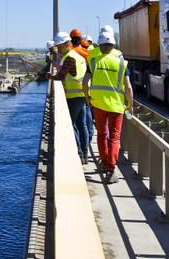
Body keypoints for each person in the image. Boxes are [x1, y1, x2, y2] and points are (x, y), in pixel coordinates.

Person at [83, 29, 133, 184]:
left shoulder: (94, 61)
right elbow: (129, 87)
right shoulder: (122, 63)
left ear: (100, 45)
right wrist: (130, 105)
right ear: (113, 45)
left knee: (102, 133)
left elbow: (84, 82)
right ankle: (111, 169)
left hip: (98, 103)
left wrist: (87, 98)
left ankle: (104, 162)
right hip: (117, 105)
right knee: (115, 136)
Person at [47, 31, 90, 164]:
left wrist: (50, 76)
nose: (58, 50)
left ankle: (79, 154)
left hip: (74, 95)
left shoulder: (69, 58)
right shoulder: (78, 57)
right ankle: (85, 154)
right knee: (82, 125)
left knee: (70, 125)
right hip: (82, 94)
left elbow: (60, 76)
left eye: (60, 46)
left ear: (67, 44)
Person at [69, 29, 94, 144]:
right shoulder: (87, 53)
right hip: (87, 86)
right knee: (85, 115)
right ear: (81, 40)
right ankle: (89, 134)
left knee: (75, 122)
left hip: (73, 91)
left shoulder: (70, 53)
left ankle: (79, 147)